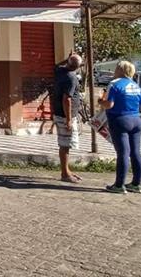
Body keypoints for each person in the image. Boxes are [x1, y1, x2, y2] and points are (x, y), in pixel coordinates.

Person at [99, 60, 141, 194]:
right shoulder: (135, 86)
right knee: (135, 152)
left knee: (123, 153)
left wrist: (100, 101)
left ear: (120, 70)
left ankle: (119, 185)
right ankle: (136, 184)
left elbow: (109, 105)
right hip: (136, 120)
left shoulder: (114, 84)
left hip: (120, 120)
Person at [51, 52, 83, 183]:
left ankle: (67, 170)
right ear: (78, 67)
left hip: (59, 113)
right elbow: (67, 99)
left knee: (65, 144)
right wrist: (69, 119)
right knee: (65, 145)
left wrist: (69, 57)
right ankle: (65, 173)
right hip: (65, 115)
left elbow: (58, 65)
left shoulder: (60, 71)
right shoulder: (71, 78)